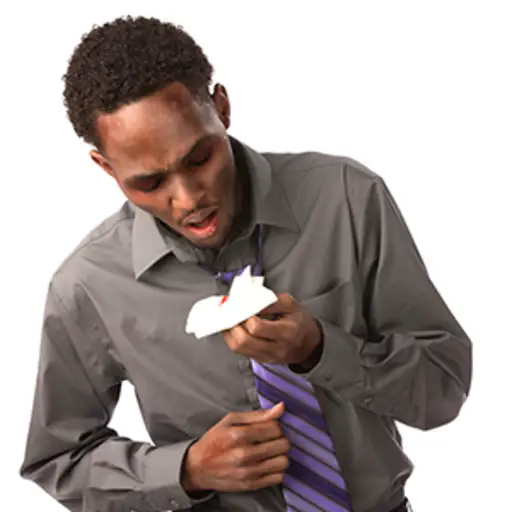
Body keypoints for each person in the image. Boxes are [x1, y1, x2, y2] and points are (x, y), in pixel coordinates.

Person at [19, 15, 472, 512]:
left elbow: (443, 390)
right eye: (150, 183)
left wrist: (321, 349)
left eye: (200, 158)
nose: (189, 199)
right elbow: (58, 459)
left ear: (222, 108)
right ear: (106, 167)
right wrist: (185, 471)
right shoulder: (87, 286)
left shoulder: (346, 198)